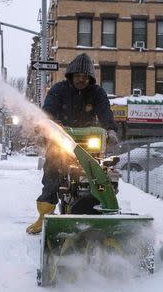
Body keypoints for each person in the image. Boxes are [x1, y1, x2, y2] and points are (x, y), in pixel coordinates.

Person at [26, 53, 118, 234]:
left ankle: (106, 208)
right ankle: (44, 216)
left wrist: (111, 129)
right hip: (61, 139)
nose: (81, 80)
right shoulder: (58, 90)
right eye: (78, 76)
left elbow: (105, 111)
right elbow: (48, 111)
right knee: (52, 175)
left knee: (102, 175)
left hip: (88, 144)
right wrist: (47, 125)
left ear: (90, 78)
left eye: (85, 77)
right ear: (70, 76)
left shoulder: (97, 92)